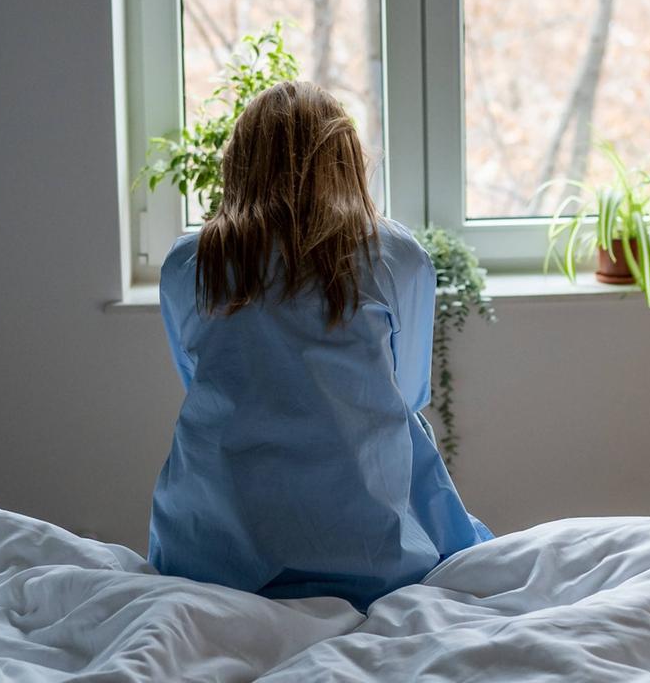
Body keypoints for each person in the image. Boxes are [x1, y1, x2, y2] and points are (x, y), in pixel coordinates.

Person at [148, 81, 492, 610]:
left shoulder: (190, 263)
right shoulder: (395, 255)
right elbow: (411, 391)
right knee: (401, 427)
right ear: (346, 162)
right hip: (370, 556)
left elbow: (198, 382)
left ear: (239, 164)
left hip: (212, 558)